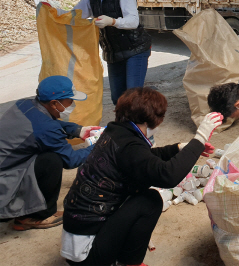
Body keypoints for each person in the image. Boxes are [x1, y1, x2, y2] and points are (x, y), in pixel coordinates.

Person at [61, 87, 222, 266]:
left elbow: (145, 158)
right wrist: (199, 137)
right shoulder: (129, 145)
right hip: (87, 256)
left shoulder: (116, 132)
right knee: (150, 200)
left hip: (79, 234)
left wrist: (178, 148)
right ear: (152, 119)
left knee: (140, 193)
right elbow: (168, 176)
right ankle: (130, 262)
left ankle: (122, 256)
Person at [0, 76, 96, 231]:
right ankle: (37, 216)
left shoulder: (25, 103)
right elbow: (71, 160)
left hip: (7, 165)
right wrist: (97, 146)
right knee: (52, 161)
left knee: (45, 154)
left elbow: (45, 123)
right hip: (3, 185)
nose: (72, 104)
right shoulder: (45, 128)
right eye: (70, 101)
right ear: (54, 103)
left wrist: (78, 130)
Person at [65, 0, 152, 105]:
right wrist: (54, 13)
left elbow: (133, 21)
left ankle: (139, 125)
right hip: (113, 53)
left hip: (136, 50)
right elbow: (75, 15)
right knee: (117, 98)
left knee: (132, 96)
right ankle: (125, 124)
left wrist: (112, 21)